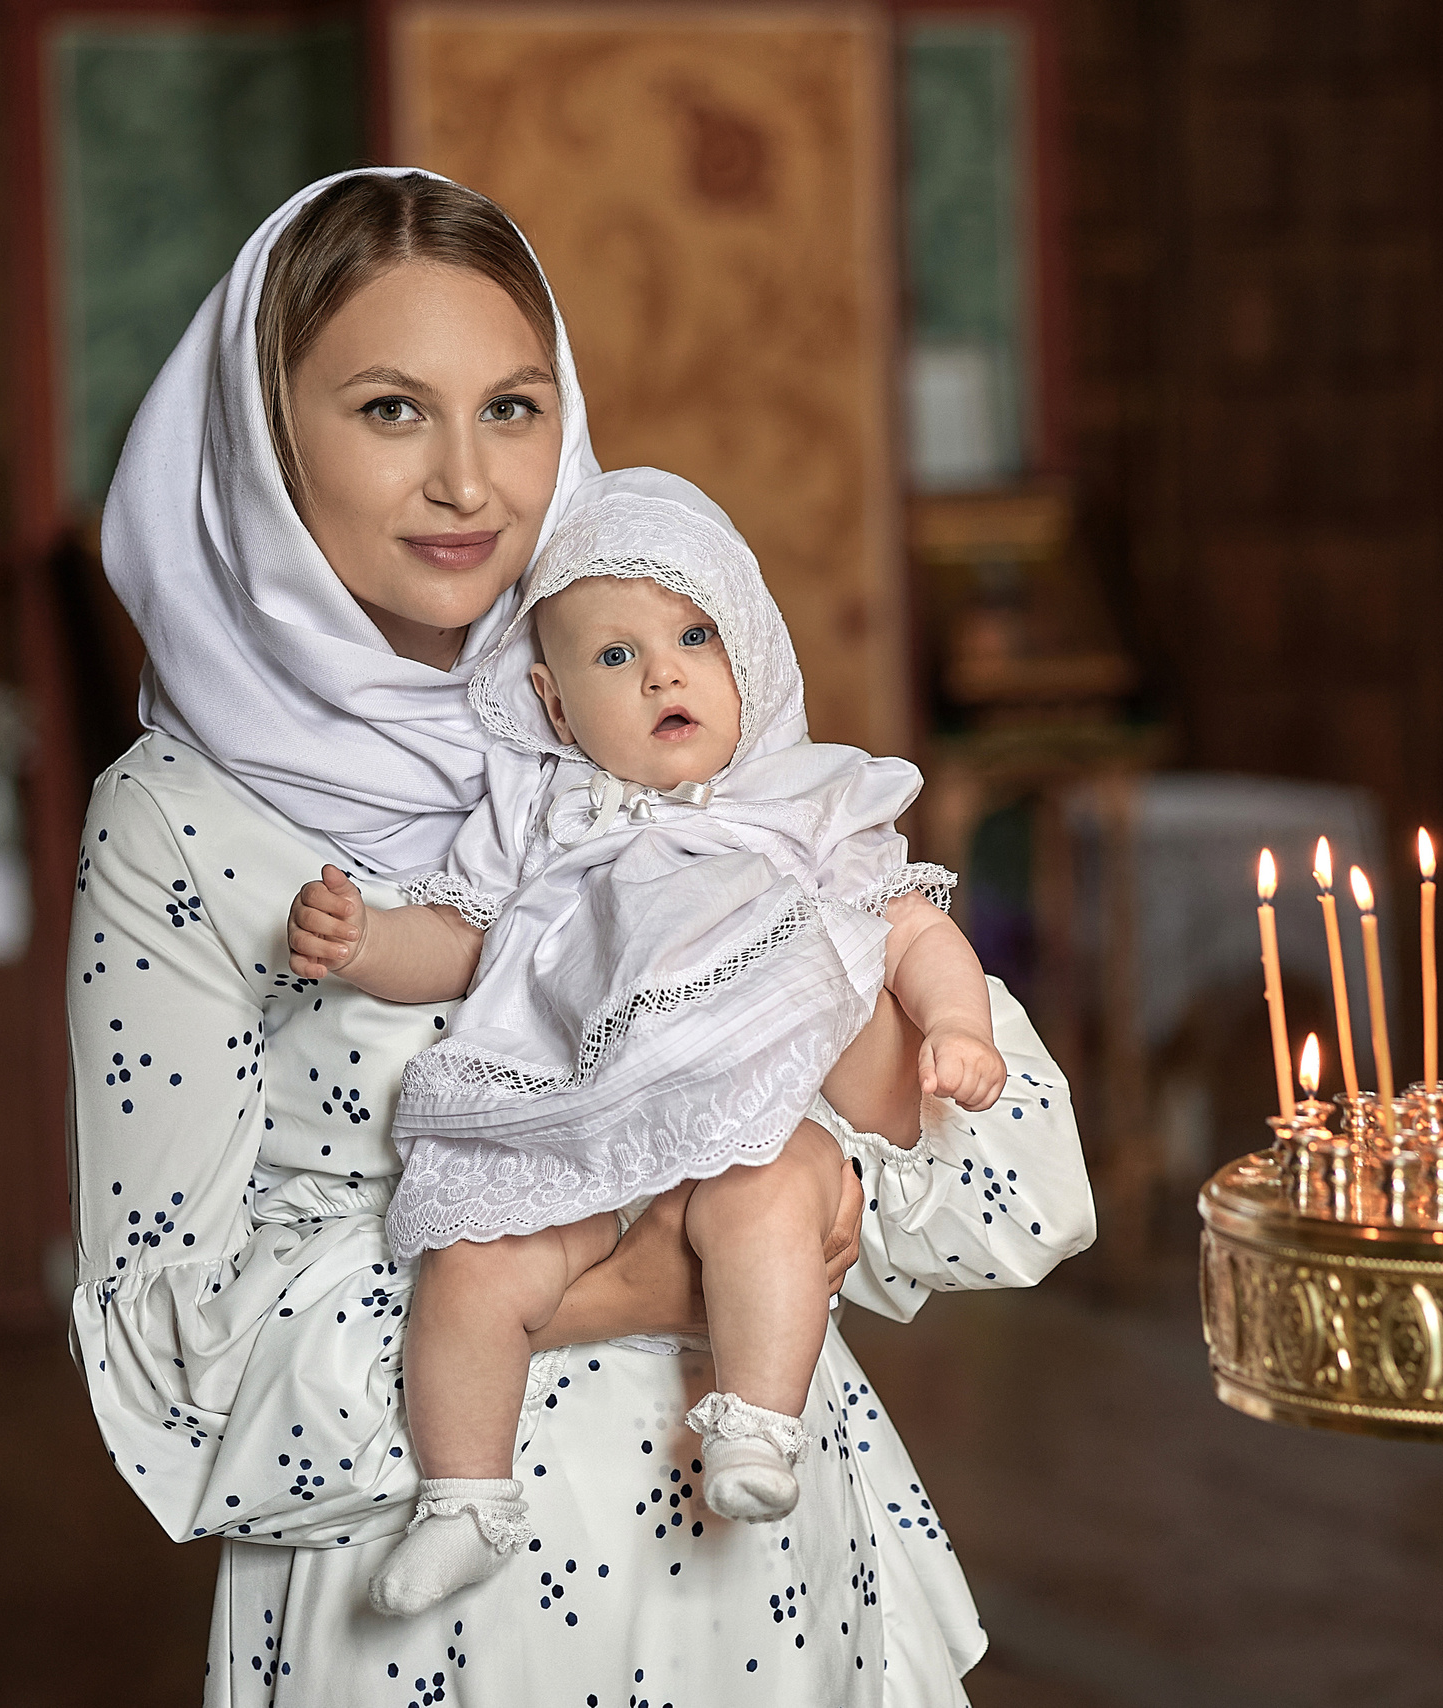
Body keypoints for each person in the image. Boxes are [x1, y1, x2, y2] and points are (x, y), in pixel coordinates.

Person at [72, 166, 1094, 1705]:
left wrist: (835, 1071)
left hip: (764, 1580)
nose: (470, 486)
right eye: (391, 410)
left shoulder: (660, 730)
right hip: (422, 1619)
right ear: (270, 434)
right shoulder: (179, 824)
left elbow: (1010, 1196)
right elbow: (179, 1359)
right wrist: (648, 1283)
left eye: (515, 407)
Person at [282, 468, 1008, 1614]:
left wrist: (958, 1025)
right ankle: (463, 1495)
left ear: (749, 654)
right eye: (614, 657)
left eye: (692, 635)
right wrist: (369, 939)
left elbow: (911, 924)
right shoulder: (546, 816)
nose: (663, 669)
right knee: (472, 1265)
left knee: (766, 1206)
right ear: (558, 708)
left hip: (747, 1118)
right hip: (571, 1124)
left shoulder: (803, 804)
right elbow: (464, 941)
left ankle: (760, 1423)